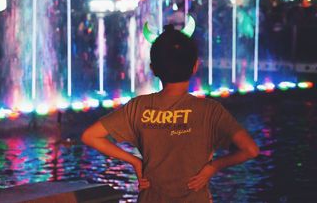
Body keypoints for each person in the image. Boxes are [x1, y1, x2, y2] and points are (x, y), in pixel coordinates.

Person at [81, 25, 259, 202]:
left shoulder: (138, 107)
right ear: (195, 66)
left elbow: (90, 136)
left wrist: (135, 161)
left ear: (153, 69)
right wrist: (213, 167)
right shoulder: (210, 110)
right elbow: (250, 150)